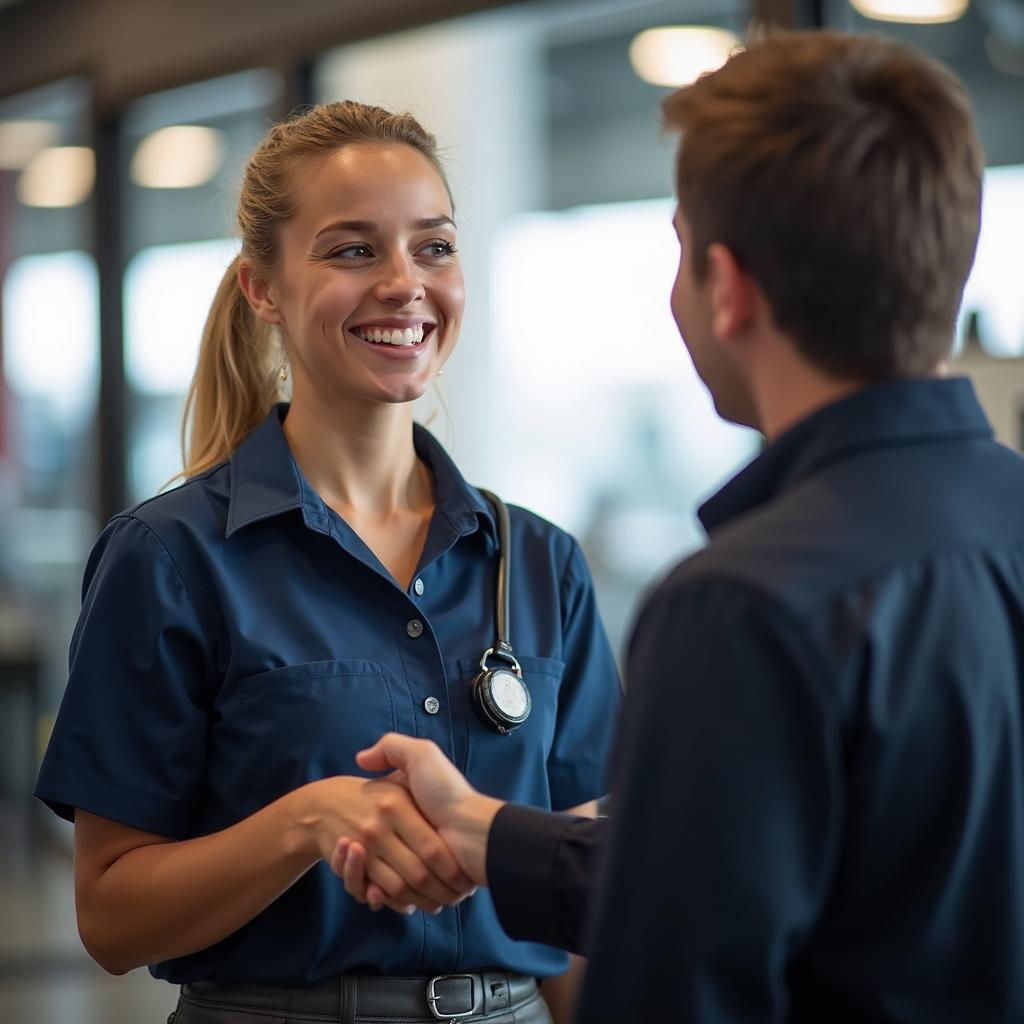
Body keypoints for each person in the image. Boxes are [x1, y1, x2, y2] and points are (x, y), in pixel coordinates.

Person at [335, 31, 1024, 1023]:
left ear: (728, 288)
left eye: (678, 249)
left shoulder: (746, 605)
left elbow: (680, 975)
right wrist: (488, 830)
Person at [33, 100, 622, 1024]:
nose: (404, 283)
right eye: (353, 250)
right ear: (262, 288)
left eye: (434, 247)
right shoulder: (173, 558)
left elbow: (586, 897)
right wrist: (307, 821)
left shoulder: (541, 564)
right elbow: (111, 916)